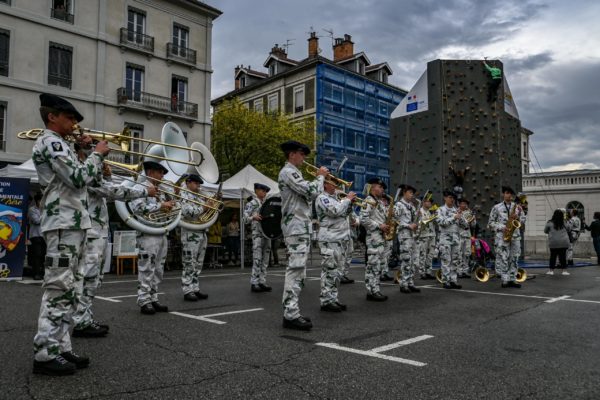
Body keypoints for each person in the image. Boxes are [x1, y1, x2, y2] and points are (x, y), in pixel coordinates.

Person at [32, 93, 110, 375]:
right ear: (52, 116)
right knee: (58, 288)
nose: (75, 123)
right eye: (70, 117)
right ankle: (45, 352)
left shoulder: (63, 144)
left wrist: (83, 152)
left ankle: (61, 347)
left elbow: (79, 176)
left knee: (71, 289)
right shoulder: (51, 142)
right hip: (63, 221)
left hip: (73, 221)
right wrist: (97, 155)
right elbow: (79, 178)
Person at [71, 143, 153, 336]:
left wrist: (106, 175)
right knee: (88, 277)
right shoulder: (83, 171)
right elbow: (110, 192)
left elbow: (103, 193)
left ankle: (85, 317)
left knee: (94, 279)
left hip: (97, 230)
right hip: (90, 232)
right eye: (91, 150)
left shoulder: (90, 172)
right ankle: (79, 321)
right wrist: (143, 192)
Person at [278, 140, 327, 331]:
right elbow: (311, 190)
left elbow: (309, 195)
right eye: (301, 154)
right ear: (292, 154)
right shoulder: (288, 172)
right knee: (296, 269)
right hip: (295, 227)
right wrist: (320, 177)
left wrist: (317, 180)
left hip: (301, 227)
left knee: (300, 273)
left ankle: (292, 312)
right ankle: (290, 315)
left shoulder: (295, 173)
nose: (304, 158)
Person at [129, 161, 176, 315]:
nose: (163, 176)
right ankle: (144, 300)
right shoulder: (139, 187)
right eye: (160, 172)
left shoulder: (161, 191)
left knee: (158, 269)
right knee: (146, 267)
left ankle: (153, 297)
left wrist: (171, 206)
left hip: (161, 232)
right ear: (150, 172)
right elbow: (137, 208)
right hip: (147, 233)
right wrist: (161, 206)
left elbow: (168, 208)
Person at [315, 180, 356, 312]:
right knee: (329, 270)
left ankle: (333, 298)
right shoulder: (322, 198)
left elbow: (344, 214)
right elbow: (334, 211)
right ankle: (326, 300)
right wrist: (347, 200)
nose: (336, 185)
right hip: (329, 238)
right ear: (325, 185)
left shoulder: (337, 199)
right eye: (332, 183)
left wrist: (349, 204)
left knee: (338, 271)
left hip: (340, 238)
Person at [488, 186, 527, 288]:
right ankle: (505, 279)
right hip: (502, 236)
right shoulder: (496, 207)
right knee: (504, 258)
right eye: (506, 193)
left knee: (514, 258)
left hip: (515, 236)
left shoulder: (517, 207)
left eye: (510, 193)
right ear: (503, 194)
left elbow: (523, 219)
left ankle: (513, 279)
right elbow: (491, 223)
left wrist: (518, 217)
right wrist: (502, 227)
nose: (509, 195)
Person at [180, 174, 211, 301]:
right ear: (188, 182)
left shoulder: (199, 195)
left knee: (198, 263)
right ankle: (187, 290)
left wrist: (211, 204)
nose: (198, 186)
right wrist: (204, 207)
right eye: (196, 183)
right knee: (189, 262)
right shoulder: (183, 194)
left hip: (201, 231)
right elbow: (188, 212)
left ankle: (195, 288)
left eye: (199, 184)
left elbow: (208, 212)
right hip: (190, 232)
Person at [360, 178, 391, 301]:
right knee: (373, 264)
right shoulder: (368, 200)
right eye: (380, 187)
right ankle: (371, 291)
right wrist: (380, 226)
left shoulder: (379, 202)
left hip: (380, 237)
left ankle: (375, 289)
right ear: (373, 187)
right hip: (373, 237)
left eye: (383, 187)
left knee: (378, 265)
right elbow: (363, 219)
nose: (382, 189)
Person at [243, 183, 272, 292]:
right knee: (257, 258)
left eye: (265, 191)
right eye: (262, 190)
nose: (264, 193)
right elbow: (244, 219)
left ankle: (262, 281)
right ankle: (254, 282)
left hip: (267, 234)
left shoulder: (267, 203)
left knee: (265, 259)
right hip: (257, 234)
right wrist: (252, 217)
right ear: (256, 191)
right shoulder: (252, 203)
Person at [395, 184, 420, 294]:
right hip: (404, 236)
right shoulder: (399, 205)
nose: (412, 195)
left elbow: (415, 219)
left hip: (412, 235)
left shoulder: (412, 206)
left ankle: (410, 282)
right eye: (410, 192)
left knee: (413, 260)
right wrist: (407, 225)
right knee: (406, 260)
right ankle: (403, 284)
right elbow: (395, 220)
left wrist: (417, 223)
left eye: (412, 193)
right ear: (404, 192)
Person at [437, 190, 462, 289]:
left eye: (453, 198)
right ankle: (446, 280)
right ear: (445, 198)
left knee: (455, 261)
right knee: (446, 261)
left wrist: (461, 217)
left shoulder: (456, 210)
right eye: (450, 197)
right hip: (445, 240)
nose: (452, 200)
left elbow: (464, 226)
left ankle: (453, 280)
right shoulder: (440, 210)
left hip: (455, 239)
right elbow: (441, 222)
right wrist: (454, 217)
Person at [414, 195, 437, 280]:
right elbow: (419, 223)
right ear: (423, 202)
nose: (430, 203)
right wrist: (430, 219)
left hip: (432, 234)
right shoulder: (419, 211)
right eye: (428, 201)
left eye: (430, 202)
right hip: (423, 235)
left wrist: (434, 217)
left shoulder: (430, 212)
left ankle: (428, 271)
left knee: (430, 255)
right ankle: (422, 272)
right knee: (422, 254)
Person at [544, 209, 572, 275]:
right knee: (563, 257)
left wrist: (551, 232)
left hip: (553, 242)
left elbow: (545, 231)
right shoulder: (564, 222)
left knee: (553, 256)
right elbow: (569, 229)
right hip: (564, 242)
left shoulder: (549, 223)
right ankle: (564, 271)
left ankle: (551, 271)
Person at [28, 193, 46, 281]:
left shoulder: (46, 209)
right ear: (36, 201)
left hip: (45, 236)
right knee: (37, 255)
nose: (42, 202)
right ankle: (36, 273)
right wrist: (46, 215)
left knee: (43, 255)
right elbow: (36, 221)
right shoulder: (32, 209)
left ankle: (43, 273)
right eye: (40, 200)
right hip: (36, 235)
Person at [457, 198, 476, 278]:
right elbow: (457, 223)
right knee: (459, 254)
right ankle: (459, 271)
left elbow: (473, 225)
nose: (464, 205)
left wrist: (473, 220)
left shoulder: (469, 213)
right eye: (462, 203)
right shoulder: (456, 212)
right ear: (459, 204)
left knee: (467, 254)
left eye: (465, 204)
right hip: (459, 234)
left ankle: (465, 271)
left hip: (467, 235)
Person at [340, 210, 359, 284]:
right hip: (341, 234)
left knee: (350, 253)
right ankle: (340, 274)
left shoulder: (350, 206)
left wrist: (356, 222)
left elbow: (356, 217)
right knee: (342, 255)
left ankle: (344, 274)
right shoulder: (340, 204)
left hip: (349, 233)